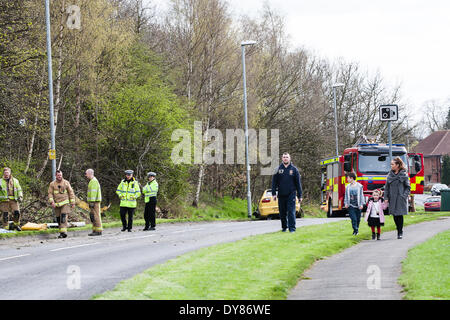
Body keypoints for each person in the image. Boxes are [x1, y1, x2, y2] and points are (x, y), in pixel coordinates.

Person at [271, 153, 303, 233]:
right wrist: (274, 193)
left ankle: (292, 228)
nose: (285, 158)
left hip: (291, 194)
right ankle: (284, 227)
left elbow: (298, 184)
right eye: (284, 157)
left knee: (291, 211)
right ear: (282, 158)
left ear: (290, 158)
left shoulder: (294, 170)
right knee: (282, 212)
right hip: (281, 194)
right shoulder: (277, 169)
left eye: (287, 157)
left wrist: (300, 195)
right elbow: (274, 183)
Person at [384, 157, 410, 239]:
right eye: (391, 164)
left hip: (400, 198)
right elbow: (386, 188)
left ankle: (400, 231)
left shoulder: (404, 175)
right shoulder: (389, 176)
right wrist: (386, 197)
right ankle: (398, 229)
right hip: (392, 198)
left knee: (400, 215)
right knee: (395, 215)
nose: (391, 166)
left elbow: (408, 187)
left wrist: (404, 196)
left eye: (392, 164)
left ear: (397, 165)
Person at [48, 170, 75, 238]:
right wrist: (52, 202)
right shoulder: (52, 184)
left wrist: (72, 202)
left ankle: (63, 232)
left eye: (60, 175)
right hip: (57, 204)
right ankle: (61, 232)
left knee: (63, 217)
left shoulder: (66, 183)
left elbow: (71, 192)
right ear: (55, 176)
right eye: (58, 175)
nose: (59, 176)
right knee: (58, 218)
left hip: (65, 203)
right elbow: (50, 193)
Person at [85, 169, 103, 236]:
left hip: (94, 202)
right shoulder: (92, 181)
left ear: (90, 174)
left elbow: (93, 193)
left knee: (96, 216)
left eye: (86, 174)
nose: (86, 175)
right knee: (93, 216)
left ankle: (98, 231)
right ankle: (95, 230)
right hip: (93, 202)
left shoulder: (93, 181)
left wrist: (92, 202)